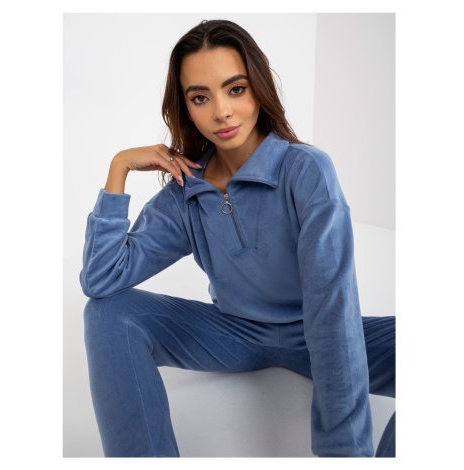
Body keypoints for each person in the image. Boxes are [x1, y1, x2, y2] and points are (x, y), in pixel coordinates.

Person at [80, 19, 395, 458]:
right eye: (200, 97)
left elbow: (332, 307)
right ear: (185, 108)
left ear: (258, 89)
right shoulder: (186, 192)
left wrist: (343, 456)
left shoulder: (306, 171)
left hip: (316, 328)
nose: (222, 112)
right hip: (234, 334)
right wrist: (119, 167)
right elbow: (101, 278)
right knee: (108, 312)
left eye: (235, 89)